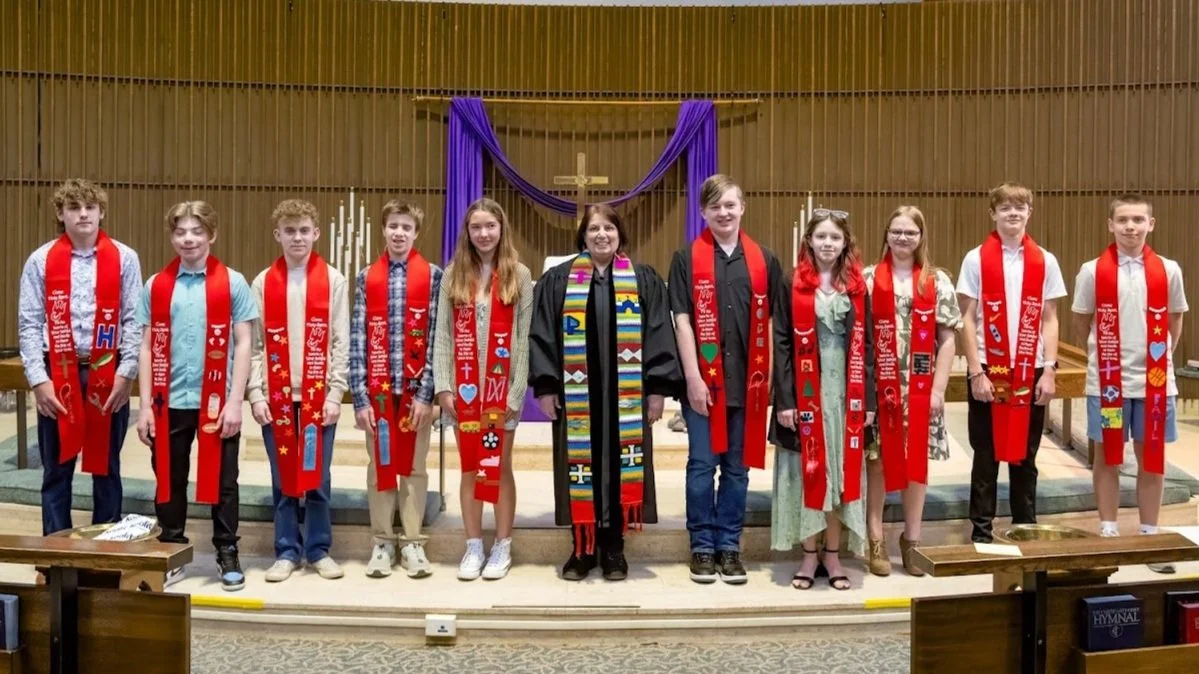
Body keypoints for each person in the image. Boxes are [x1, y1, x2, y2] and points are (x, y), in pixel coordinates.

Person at [531, 204, 681, 581]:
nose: (601, 235)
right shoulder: (559, 280)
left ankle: (614, 547)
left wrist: (658, 388)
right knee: (579, 465)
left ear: (619, 234)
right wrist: (547, 386)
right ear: (582, 235)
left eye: (608, 228)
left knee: (620, 464)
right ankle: (581, 547)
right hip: (575, 395)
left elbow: (658, 331)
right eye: (594, 228)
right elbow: (543, 332)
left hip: (626, 398)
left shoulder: (642, 280)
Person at [668, 175, 784, 585]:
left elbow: (773, 322)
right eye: (715, 206)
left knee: (737, 469)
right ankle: (701, 545)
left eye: (730, 205)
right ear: (703, 212)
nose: (724, 213)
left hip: (747, 384)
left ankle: (729, 546)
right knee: (702, 465)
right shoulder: (687, 259)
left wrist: (768, 377)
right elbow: (681, 320)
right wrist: (694, 378)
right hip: (702, 383)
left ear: (743, 207)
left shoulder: (764, 259)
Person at [135, 201, 257, 591]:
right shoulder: (156, 284)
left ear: (212, 235)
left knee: (224, 482)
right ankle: (171, 548)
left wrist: (236, 401)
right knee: (169, 480)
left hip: (218, 403)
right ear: (172, 237)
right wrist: (144, 408)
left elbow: (244, 343)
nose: (188, 239)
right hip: (167, 401)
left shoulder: (233, 282)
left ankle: (227, 551)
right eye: (181, 232)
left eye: (196, 231)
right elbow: (145, 346)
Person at [18, 179, 142, 535]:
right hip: (57, 372)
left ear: (102, 212)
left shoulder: (125, 258)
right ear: (61, 214)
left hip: (109, 371)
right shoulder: (41, 260)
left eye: (90, 207)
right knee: (57, 466)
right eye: (74, 208)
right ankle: (56, 554)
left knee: (106, 465)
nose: (83, 214)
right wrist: (38, 380)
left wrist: (126, 371)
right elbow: (28, 323)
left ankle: (106, 549)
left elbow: (134, 319)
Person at [1071, 194, 1187, 573]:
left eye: (1138, 219)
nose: (1131, 226)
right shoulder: (1091, 270)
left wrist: (1157, 361)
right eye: (1123, 220)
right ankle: (1107, 530)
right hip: (1107, 381)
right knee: (1106, 455)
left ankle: (1150, 535)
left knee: (1151, 459)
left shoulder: (1169, 270)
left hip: (1154, 382)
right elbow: (1081, 321)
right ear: (1110, 225)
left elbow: (1174, 321)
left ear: (1151, 224)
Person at [957, 182, 1068, 544]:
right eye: (1005, 208)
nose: (1013, 214)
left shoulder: (1045, 260)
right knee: (986, 457)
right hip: (989, 367)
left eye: (1020, 207)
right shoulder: (976, 258)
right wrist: (976, 372)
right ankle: (982, 534)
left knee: (1026, 455)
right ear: (993, 214)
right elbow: (967, 318)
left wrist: (1049, 369)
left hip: (1030, 369)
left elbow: (1050, 318)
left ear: (1029, 213)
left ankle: (1026, 528)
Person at [247, 199, 350, 582]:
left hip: (318, 398)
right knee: (282, 478)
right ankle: (286, 551)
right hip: (277, 398)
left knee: (318, 477)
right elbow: (255, 345)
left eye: (304, 230)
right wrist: (256, 394)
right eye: (289, 231)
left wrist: (335, 394)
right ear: (277, 235)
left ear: (316, 233)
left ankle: (319, 549)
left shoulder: (333, 280)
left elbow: (340, 341)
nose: (297, 238)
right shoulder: (262, 282)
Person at [771, 209, 873, 591]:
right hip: (804, 393)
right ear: (808, 241)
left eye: (835, 237)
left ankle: (833, 554)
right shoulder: (791, 282)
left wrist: (871, 403)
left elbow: (869, 348)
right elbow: (781, 340)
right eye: (821, 237)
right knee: (807, 473)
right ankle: (808, 552)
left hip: (846, 396)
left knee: (839, 473)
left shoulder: (858, 286)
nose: (828, 244)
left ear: (845, 243)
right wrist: (784, 400)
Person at [433, 198, 534, 581]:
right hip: (464, 393)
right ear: (467, 232)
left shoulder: (518, 275)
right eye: (477, 227)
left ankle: (502, 545)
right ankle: (474, 544)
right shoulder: (453, 275)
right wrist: (444, 387)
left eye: (490, 225)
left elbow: (522, 339)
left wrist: (514, 392)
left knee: (500, 466)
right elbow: (442, 335)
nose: (484, 234)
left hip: (500, 393)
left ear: (501, 228)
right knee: (470, 467)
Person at [862, 206, 962, 577]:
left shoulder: (936, 282)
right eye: (896, 231)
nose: (903, 239)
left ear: (921, 237)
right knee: (877, 463)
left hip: (920, 390)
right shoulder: (868, 279)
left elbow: (948, 340)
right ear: (886, 234)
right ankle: (875, 538)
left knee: (917, 466)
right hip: (881, 388)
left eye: (910, 233)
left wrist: (938, 389)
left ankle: (912, 539)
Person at [349, 200, 442, 580]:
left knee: (414, 468)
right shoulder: (367, 276)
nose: (399, 233)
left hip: (415, 392)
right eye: (392, 226)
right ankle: (383, 541)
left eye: (406, 226)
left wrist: (427, 396)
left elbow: (437, 337)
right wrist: (359, 397)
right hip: (379, 391)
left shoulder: (433, 275)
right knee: (380, 467)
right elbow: (357, 336)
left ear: (416, 232)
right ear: (383, 230)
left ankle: (414, 542)